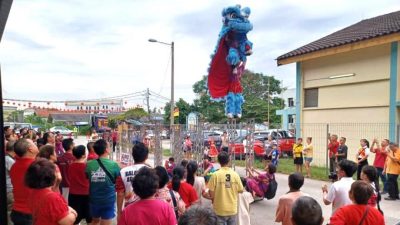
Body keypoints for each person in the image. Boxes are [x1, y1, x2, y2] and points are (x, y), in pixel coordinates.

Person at [26, 159, 77, 225]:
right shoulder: (52, 197)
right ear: (51, 176)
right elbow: (67, 221)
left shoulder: (33, 192)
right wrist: (73, 213)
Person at [86, 139, 121, 225]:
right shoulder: (114, 165)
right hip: (108, 200)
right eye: (109, 146)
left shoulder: (89, 164)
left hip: (94, 199)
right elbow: (118, 178)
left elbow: (87, 176)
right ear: (106, 149)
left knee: (94, 221)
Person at [116, 142, 150, 220]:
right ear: (147, 156)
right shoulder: (151, 171)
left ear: (132, 155)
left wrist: (119, 212)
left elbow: (120, 194)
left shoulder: (123, 172)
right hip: (148, 211)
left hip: (129, 210)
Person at [208, 151, 243, 225]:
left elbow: (211, 192)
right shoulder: (235, 174)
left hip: (219, 209)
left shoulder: (215, 175)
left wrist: (213, 200)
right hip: (232, 209)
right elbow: (240, 190)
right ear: (229, 160)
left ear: (218, 161)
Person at [10, 138, 39, 225]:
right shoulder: (36, 167)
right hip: (31, 214)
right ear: (30, 149)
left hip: (17, 211)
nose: (35, 144)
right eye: (33, 143)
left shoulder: (14, 166)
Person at [69, 145, 92, 225]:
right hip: (86, 194)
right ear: (83, 155)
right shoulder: (87, 166)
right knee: (89, 218)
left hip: (73, 194)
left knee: (74, 217)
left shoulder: (71, 166)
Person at [5, 140, 16, 225]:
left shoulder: (7, 158)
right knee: (10, 212)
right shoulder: (9, 160)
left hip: (8, 188)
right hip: (9, 189)